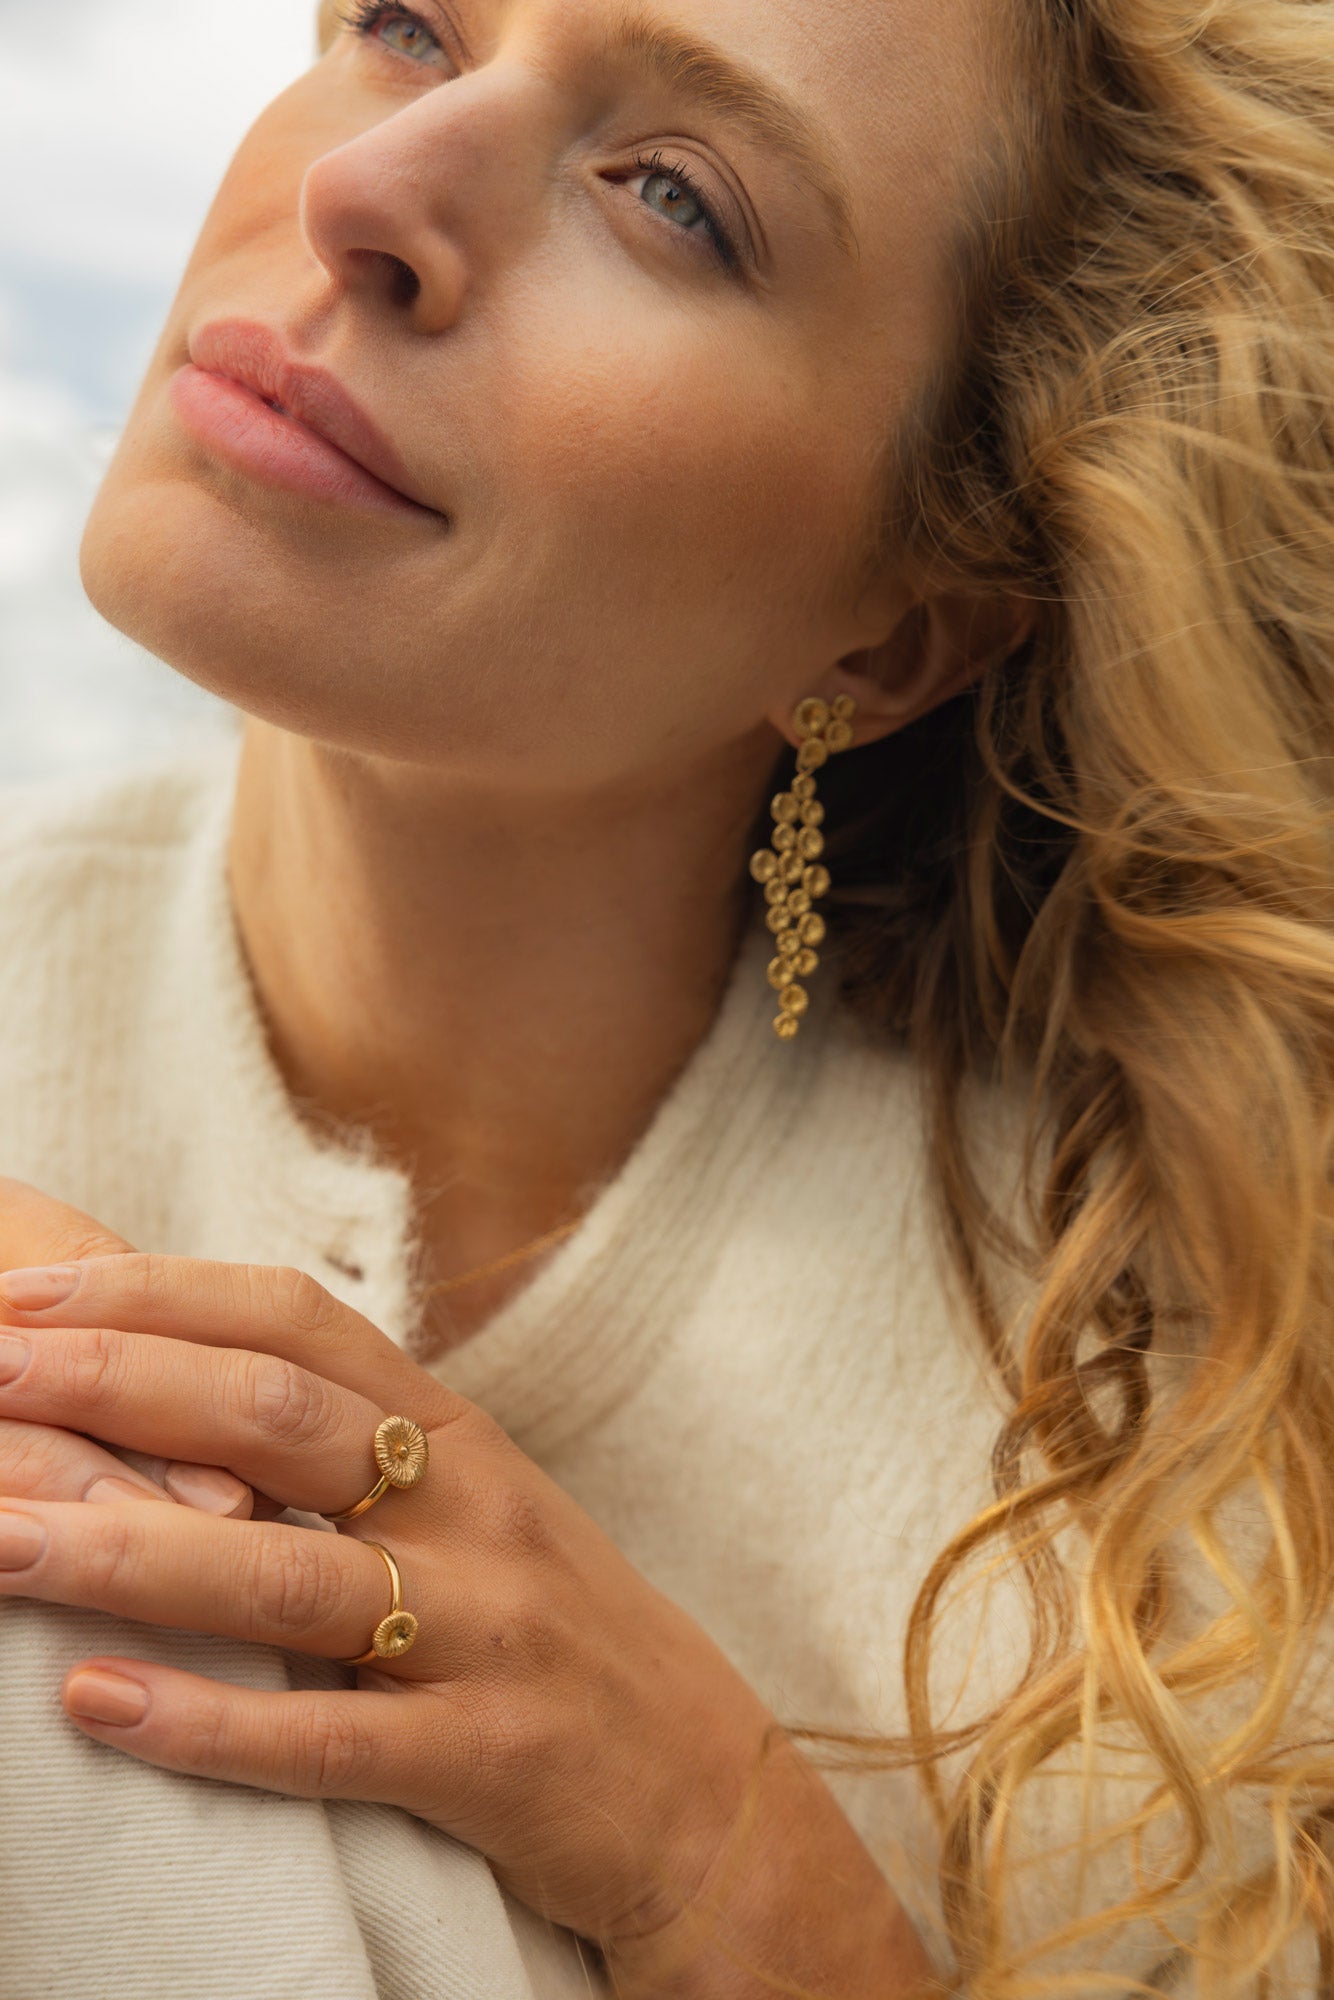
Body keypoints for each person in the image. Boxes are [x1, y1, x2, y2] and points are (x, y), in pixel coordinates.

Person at [0, 0, 1330, 1992]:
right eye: (408, 31)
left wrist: (731, 1867)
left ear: (897, 634)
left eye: (675, 203)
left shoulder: (1196, 1452)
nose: (368, 189)